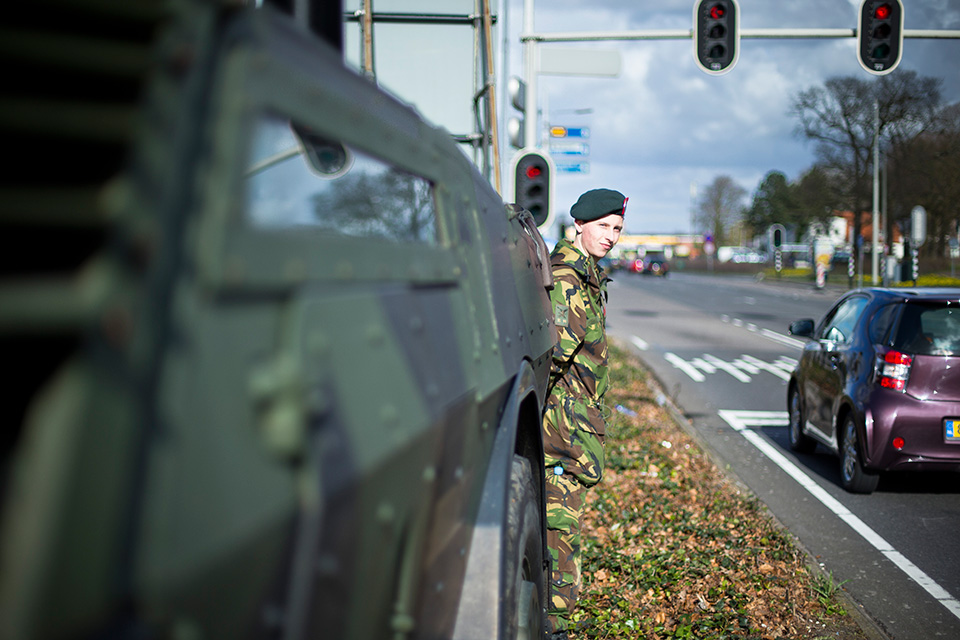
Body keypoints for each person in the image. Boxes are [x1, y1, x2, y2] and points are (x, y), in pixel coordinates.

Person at [542, 188, 626, 639]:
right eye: (603, 226)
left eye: (617, 228)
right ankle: (553, 624)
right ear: (579, 224)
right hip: (561, 429)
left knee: (562, 525)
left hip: (574, 427)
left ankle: (552, 617)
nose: (611, 236)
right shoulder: (568, 278)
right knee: (559, 526)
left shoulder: (588, 274)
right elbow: (552, 358)